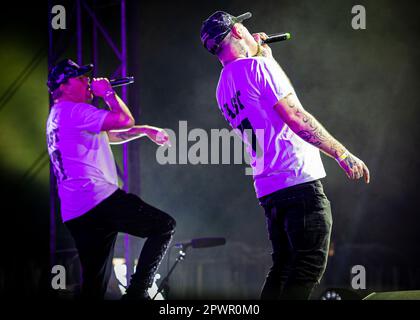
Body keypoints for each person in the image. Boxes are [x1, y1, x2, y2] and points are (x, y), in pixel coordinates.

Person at [200, 11, 370, 299]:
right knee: (307, 265)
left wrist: (265, 55)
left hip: (270, 187)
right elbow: (296, 116)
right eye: (243, 26)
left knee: (283, 267)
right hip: (297, 181)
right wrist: (342, 154)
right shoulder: (256, 68)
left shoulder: (223, 87)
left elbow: (269, 97)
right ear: (238, 32)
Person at [46, 59, 176, 300]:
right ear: (63, 85)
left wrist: (145, 130)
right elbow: (124, 120)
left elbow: (109, 135)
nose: (87, 81)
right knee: (163, 226)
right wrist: (107, 93)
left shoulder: (58, 115)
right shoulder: (74, 110)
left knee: (94, 287)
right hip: (97, 199)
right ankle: (137, 294)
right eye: (81, 78)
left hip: (77, 211)